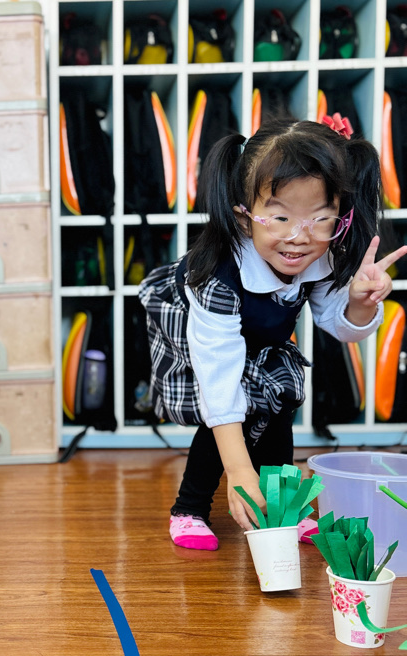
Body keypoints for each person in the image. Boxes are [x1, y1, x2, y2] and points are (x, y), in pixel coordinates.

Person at [139, 116, 407, 552]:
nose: (298, 238)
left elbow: (338, 325)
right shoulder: (219, 276)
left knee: (279, 405)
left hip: (259, 338)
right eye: (280, 217)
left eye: (321, 219)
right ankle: (189, 508)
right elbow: (218, 383)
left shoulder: (319, 256)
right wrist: (239, 472)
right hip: (196, 332)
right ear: (245, 218)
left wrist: (361, 302)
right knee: (229, 411)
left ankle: (281, 508)